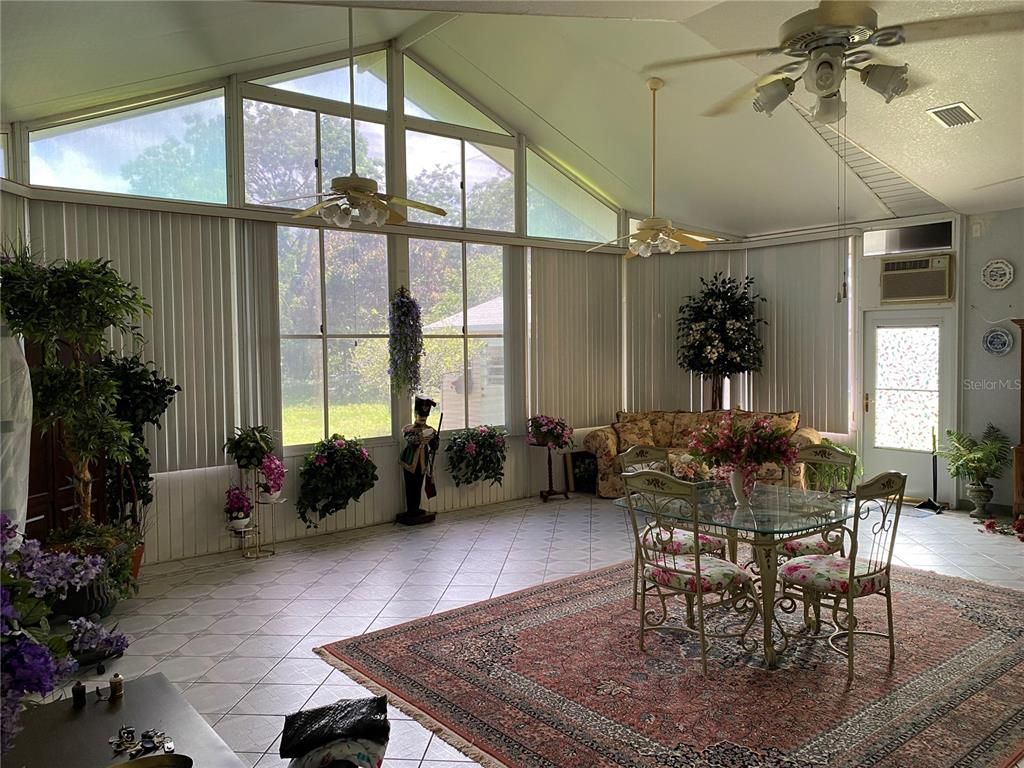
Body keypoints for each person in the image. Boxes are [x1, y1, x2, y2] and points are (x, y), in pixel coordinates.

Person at [397, 396, 438, 525]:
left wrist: (435, 440)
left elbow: (434, 446)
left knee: (419, 485)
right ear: (416, 415)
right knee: (410, 486)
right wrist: (421, 437)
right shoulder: (409, 429)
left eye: (424, 417)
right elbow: (411, 440)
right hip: (409, 462)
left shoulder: (430, 429)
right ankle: (411, 509)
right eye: (420, 416)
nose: (422, 419)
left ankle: (416, 508)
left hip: (422, 463)